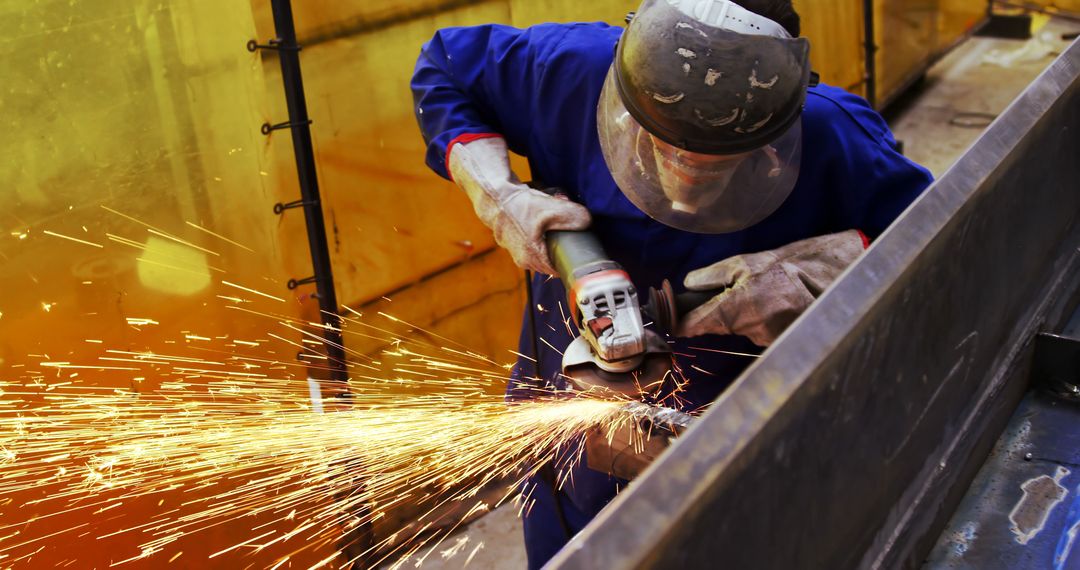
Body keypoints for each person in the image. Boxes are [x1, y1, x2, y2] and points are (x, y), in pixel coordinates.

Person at [411, 0, 933, 566]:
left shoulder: (833, 133)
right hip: (570, 416)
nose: (686, 174)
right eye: (665, 145)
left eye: (714, 161)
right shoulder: (569, 71)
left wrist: (832, 263)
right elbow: (444, 66)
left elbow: (935, 241)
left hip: (736, 436)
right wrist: (499, 194)